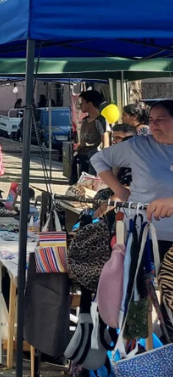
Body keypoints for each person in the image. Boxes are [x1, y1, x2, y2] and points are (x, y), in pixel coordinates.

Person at [90, 100, 173, 260]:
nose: (154, 124)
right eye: (151, 120)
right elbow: (99, 159)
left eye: (160, 119)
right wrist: (120, 191)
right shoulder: (139, 145)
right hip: (142, 234)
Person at [72, 89, 110, 181]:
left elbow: (105, 141)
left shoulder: (100, 120)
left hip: (93, 157)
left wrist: (103, 158)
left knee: (89, 182)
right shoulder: (85, 120)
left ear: (90, 103)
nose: (80, 105)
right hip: (83, 155)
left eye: (83, 102)